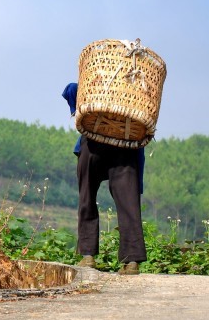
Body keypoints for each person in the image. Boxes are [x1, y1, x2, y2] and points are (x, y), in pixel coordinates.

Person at [62, 82, 146, 275]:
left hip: (93, 143)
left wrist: (78, 106)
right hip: (127, 144)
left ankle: (88, 256)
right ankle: (131, 261)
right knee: (128, 203)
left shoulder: (96, 86)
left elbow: (71, 89)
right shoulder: (135, 91)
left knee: (87, 198)